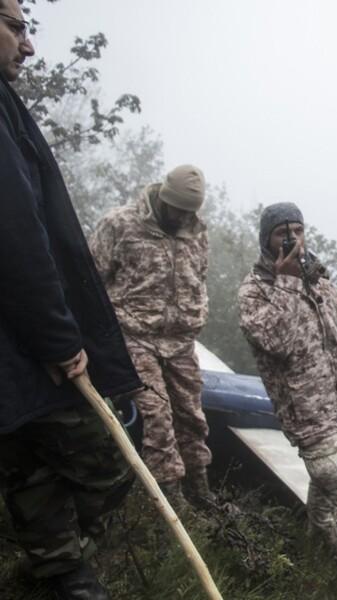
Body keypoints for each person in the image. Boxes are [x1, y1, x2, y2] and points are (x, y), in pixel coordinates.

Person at [0, 2, 141, 596]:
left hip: (16, 344)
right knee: (106, 456)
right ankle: (58, 566)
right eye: (16, 25)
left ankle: (58, 571)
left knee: (28, 457)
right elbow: (16, 234)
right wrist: (60, 338)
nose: (29, 45)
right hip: (28, 343)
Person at [238, 203, 337, 600]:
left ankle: (314, 551)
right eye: (282, 233)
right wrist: (288, 282)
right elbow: (278, 343)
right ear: (267, 239)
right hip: (306, 417)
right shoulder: (255, 291)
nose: (292, 238)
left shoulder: (323, 284)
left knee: (326, 493)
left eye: (297, 229)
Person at [90, 165, 214, 509]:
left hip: (180, 343)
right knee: (156, 414)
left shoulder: (196, 232)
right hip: (134, 337)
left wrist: (197, 313)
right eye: (178, 209)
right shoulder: (120, 224)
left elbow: (199, 278)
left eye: (191, 211)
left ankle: (200, 490)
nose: (183, 217)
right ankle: (169, 500)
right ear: (163, 197)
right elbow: (90, 281)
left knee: (192, 416)